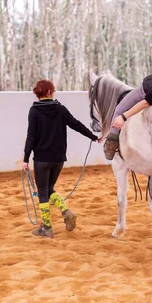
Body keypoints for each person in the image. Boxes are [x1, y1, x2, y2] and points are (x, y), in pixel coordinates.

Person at [23, 79, 101, 238]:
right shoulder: (60, 109)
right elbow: (76, 125)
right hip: (58, 158)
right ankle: (66, 212)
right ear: (50, 92)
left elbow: (31, 136)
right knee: (49, 189)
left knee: (43, 192)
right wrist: (93, 137)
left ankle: (46, 228)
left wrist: (25, 158)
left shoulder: (34, 111)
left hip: (41, 158)